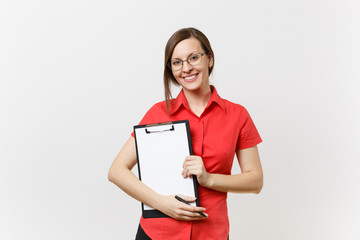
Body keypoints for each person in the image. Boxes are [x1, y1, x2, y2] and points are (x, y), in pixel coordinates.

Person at [108, 27, 263, 240]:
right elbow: (116, 171)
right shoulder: (157, 113)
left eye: (193, 58)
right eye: (177, 62)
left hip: (211, 233)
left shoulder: (237, 115)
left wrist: (209, 179)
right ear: (171, 69)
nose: (186, 68)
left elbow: (255, 182)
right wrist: (162, 203)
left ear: (209, 59)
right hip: (158, 233)